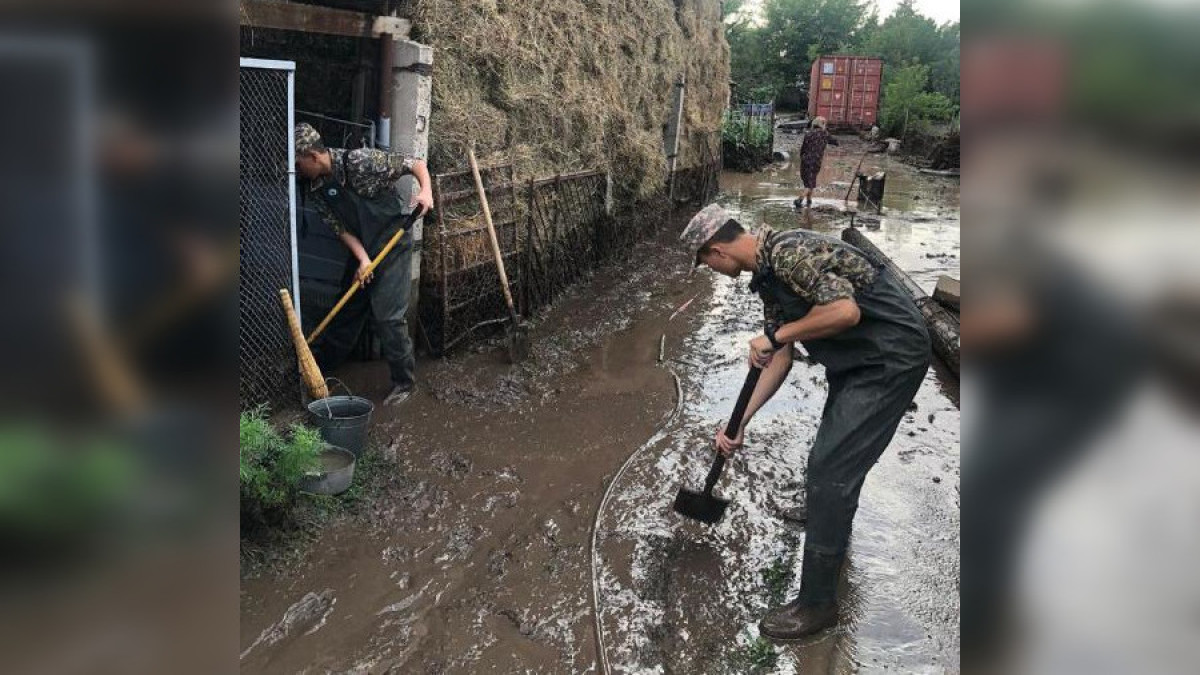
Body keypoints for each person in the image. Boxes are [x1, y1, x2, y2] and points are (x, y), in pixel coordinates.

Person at [680, 203, 931, 640]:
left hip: (889, 357)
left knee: (830, 469)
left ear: (717, 251)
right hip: (857, 362)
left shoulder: (790, 252)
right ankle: (826, 516)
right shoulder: (769, 279)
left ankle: (817, 605)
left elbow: (844, 312)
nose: (711, 270)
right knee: (833, 458)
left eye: (705, 263)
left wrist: (775, 336)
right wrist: (739, 422)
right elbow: (778, 358)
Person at [294, 123, 433, 406]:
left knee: (388, 317)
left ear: (312, 156)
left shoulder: (360, 162)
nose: (296, 171)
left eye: (297, 164)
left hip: (392, 245)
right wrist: (363, 259)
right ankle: (320, 370)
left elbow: (414, 163)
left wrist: (426, 191)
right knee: (346, 309)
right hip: (364, 251)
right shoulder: (316, 188)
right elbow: (340, 228)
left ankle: (404, 382)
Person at [795, 116, 839, 209]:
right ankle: (800, 199)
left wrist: (802, 158)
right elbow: (834, 141)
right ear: (822, 124)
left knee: (807, 181)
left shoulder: (808, 134)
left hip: (805, 160)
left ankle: (809, 200)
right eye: (825, 124)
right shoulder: (824, 134)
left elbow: (803, 148)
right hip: (815, 161)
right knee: (810, 182)